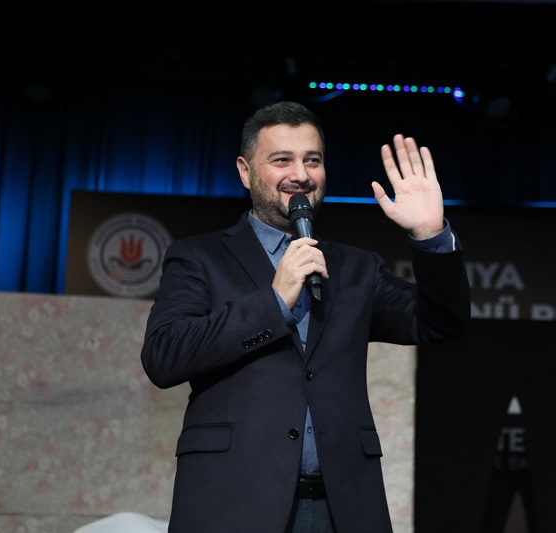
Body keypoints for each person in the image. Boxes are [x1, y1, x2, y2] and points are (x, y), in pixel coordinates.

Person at [140, 100, 471, 533]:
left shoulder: (355, 268)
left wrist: (430, 235)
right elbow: (164, 356)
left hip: (341, 510)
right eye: (282, 160)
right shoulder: (200, 257)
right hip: (232, 506)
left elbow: (441, 322)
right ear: (245, 171)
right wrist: (274, 301)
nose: (300, 174)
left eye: (312, 160)